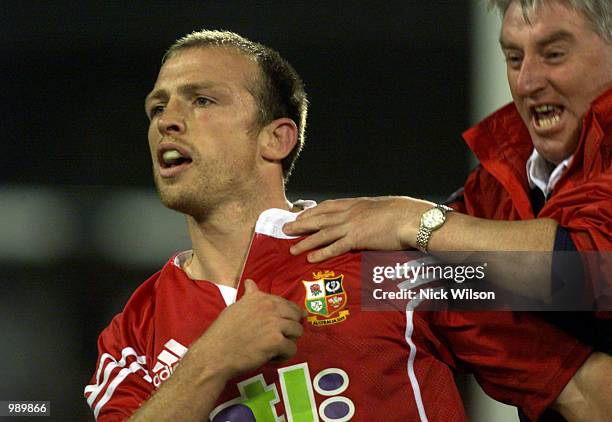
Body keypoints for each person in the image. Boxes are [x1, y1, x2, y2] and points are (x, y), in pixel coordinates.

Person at [84, 30, 612, 422]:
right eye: (158, 107)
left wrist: (425, 224)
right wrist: (212, 362)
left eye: (201, 100)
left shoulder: (388, 271)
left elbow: (585, 381)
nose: (167, 120)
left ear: (277, 139)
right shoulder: (135, 330)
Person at [284, 0, 611, 336]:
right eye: (514, 58)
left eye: (554, 54)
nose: (527, 82)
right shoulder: (503, 175)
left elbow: (590, 271)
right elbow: (420, 287)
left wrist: (414, 220)